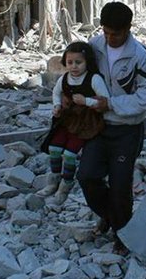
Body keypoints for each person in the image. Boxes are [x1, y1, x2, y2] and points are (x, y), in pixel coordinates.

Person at [77, 2, 146, 254]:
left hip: (127, 130)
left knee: (120, 184)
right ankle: (111, 216)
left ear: (128, 29)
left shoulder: (139, 55)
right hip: (98, 128)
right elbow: (79, 76)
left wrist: (110, 104)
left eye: (117, 34)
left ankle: (123, 235)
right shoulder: (94, 48)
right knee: (87, 176)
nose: (111, 38)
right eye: (107, 32)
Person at [40, 42, 110, 206]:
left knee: (70, 154)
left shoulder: (94, 79)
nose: (74, 66)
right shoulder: (65, 79)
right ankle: (53, 182)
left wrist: (86, 101)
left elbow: (106, 100)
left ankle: (66, 184)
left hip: (86, 123)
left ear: (87, 62)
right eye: (70, 62)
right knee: (54, 149)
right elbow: (56, 93)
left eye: (79, 62)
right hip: (67, 119)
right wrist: (56, 106)